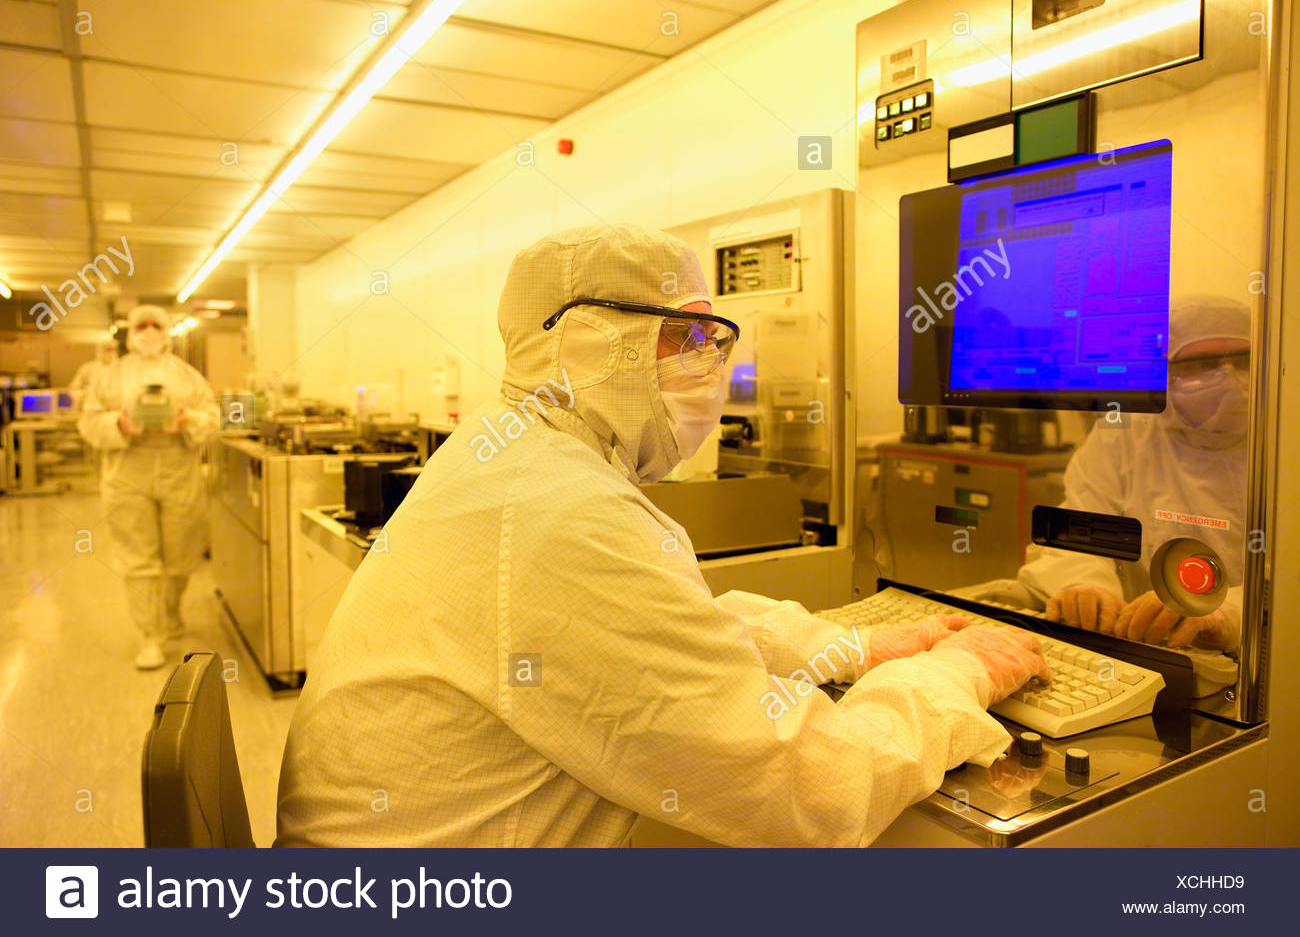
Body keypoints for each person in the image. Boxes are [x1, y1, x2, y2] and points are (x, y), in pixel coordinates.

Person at [275, 224, 1048, 848]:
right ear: (585, 342)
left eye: (714, 340)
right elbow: (812, 790)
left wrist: (849, 648)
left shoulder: (514, 452)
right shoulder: (561, 513)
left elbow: (667, 637)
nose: (712, 365)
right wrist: (953, 677)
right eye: (687, 338)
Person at [1018, 297, 1250, 651]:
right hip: (1145, 643)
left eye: (1244, 360)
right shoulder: (1127, 433)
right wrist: (1088, 587)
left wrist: (1228, 613)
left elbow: (1285, 577)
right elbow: (1081, 526)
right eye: (1203, 363)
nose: (1228, 376)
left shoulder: (1283, 441)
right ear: (1167, 371)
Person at [78, 305, 220, 669]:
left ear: (168, 330)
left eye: (157, 324)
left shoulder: (187, 377)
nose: (149, 331)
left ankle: (169, 615)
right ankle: (149, 636)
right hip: (128, 473)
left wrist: (187, 420)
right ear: (130, 331)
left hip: (178, 470)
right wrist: (121, 425)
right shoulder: (110, 377)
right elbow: (89, 422)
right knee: (138, 556)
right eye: (142, 325)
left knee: (181, 550)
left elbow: (213, 418)